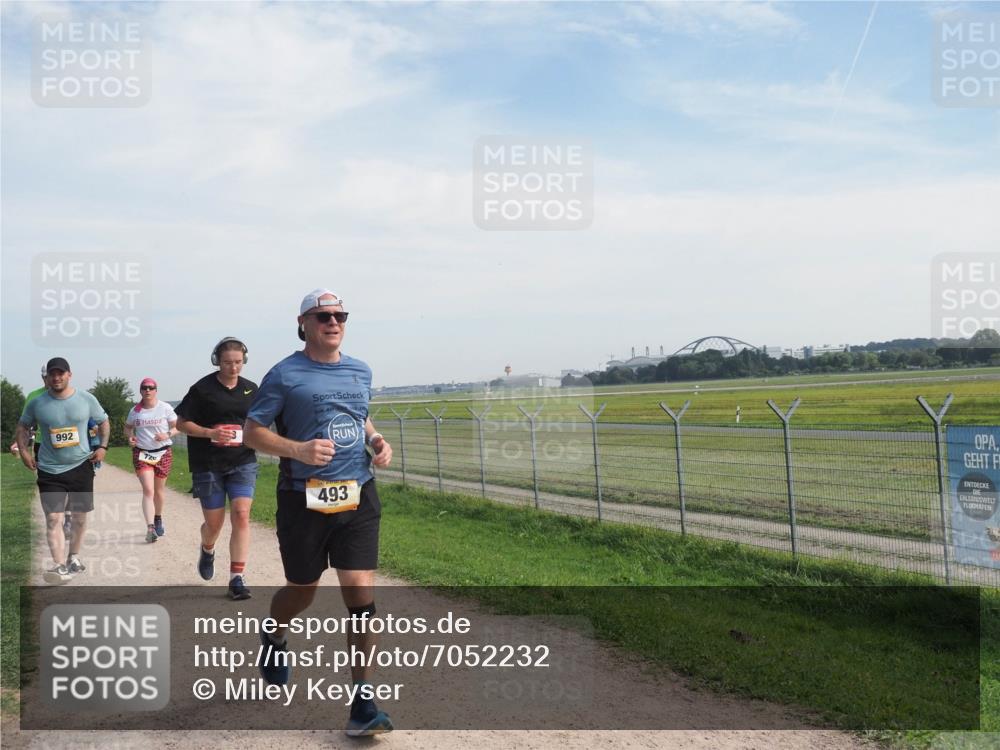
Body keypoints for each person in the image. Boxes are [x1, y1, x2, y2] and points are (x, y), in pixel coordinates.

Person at [244, 289, 394, 737]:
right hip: (303, 497)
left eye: (340, 315)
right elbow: (253, 432)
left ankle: (363, 703)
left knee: (360, 592)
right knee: (302, 590)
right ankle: (274, 636)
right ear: (303, 323)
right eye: (323, 315)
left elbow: (361, 414)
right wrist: (298, 449)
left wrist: (376, 440)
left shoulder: (360, 370)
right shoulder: (285, 375)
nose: (334, 321)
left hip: (358, 493)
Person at [175, 337, 259, 600]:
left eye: (237, 362)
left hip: (243, 461)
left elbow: (260, 421)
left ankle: (236, 578)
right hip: (208, 463)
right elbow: (181, 423)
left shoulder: (251, 389)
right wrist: (210, 433)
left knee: (242, 514)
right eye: (227, 363)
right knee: (215, 523)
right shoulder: (203, 389)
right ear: (217, 361)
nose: (233, 368)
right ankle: (208, 547)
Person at [15, 358, 109, 584]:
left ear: (69, 374)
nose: (56, 377)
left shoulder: (86, 399)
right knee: (54, 518)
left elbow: (104, 421)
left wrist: (103, 447)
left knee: (79, 518)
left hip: (80, 467)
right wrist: (25, 452)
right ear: (47, 377)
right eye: (52, 374)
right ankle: (58, 566)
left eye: (61, 373)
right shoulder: (37, 403)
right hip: (49, 469)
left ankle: (73, 557)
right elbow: (22, 427)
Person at [124, 378, 178, 543]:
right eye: (144, 388)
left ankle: (158, 518)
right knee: (148, 490)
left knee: (159, 491)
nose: (147, 390)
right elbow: (127, 427)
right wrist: (130, 437)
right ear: (140, 391)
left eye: (151, 388)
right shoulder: (135, 411)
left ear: (156, 390)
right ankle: (150, 528)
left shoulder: (165, 408)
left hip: (163, 453)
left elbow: (178, 427)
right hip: (142, 453)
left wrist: (167, 434)